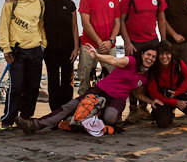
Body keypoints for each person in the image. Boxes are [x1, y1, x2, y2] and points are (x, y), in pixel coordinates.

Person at [15, 42, 162, 135]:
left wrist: (150, 101)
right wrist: (97, 56)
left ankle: (84, 120)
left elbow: (137, 93)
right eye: (148, 54)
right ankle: (34, 125)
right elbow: (113, 60)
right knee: (70, 106)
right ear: (142, 54)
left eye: (154, 57)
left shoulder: (145, 77)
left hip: (117, 99)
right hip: (99, 90)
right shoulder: (131, 61)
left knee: (110, 117)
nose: (150, 58)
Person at [0, 0, 47, 130]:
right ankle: (7, 120)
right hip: (17, 52)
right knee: (16, 87)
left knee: (33, 88)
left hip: (35, 51)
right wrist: (5, 48)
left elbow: (41, 26)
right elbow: (3, 25)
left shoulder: (40, 3)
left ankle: (25, 118)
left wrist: (42, 45)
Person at [120, 0, 168, 122]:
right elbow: (121, 20)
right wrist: (126, 42)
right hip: (134, 43)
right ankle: (132, 109)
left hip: (152, 42)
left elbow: (161, 19)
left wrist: (163, 40)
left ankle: (143, 108)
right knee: (131, 77)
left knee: (148, 77)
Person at [77, 0, 121, 95]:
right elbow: (85, 23)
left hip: (109, 45)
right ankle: (81, 109)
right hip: (89, 44)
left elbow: (117, 23)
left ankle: (108, 106)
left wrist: (110, 41)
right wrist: (100, 42)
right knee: (84, 77)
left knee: (112, 77)